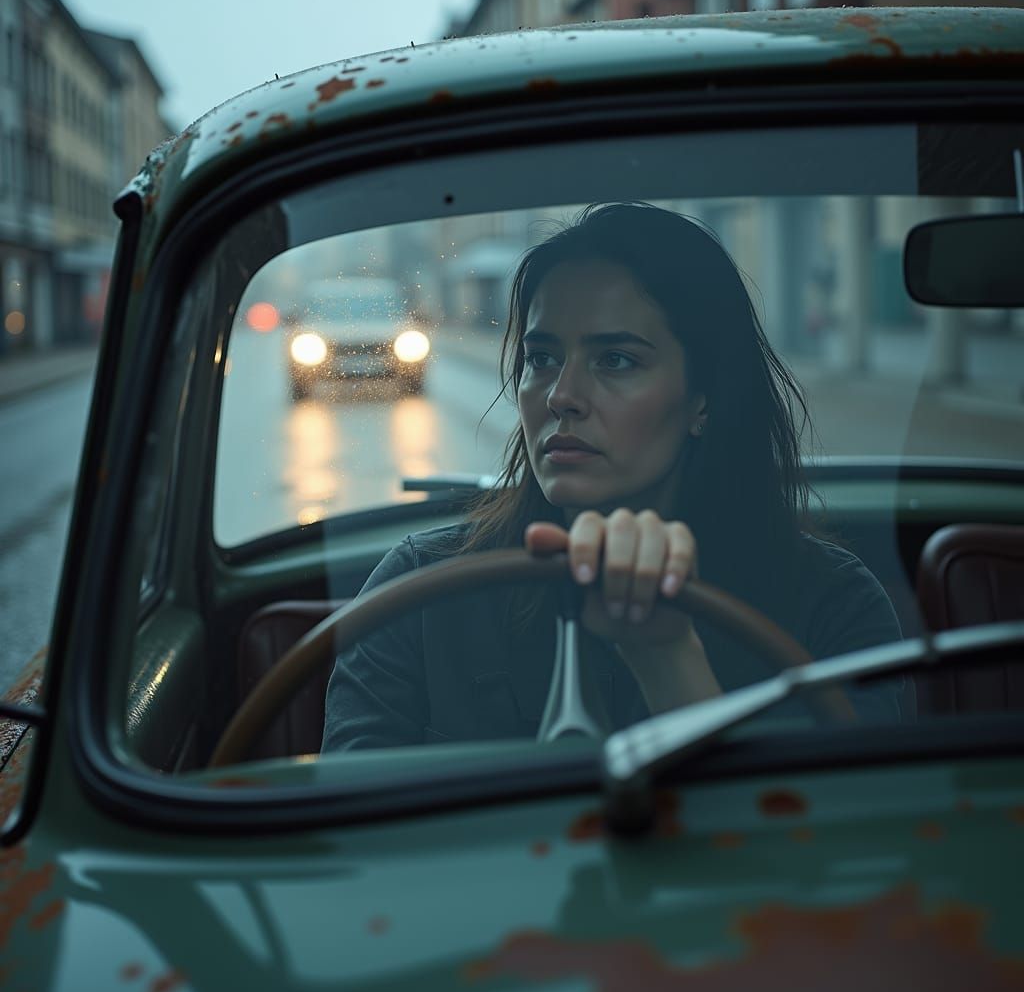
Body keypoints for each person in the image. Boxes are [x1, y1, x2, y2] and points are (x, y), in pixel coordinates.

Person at [322, 203, 908, 751]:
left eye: (616, 360)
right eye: (541, 359)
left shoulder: (830, 605)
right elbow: (348, 841)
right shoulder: (421, 592)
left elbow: (833, 847)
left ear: (703, 398)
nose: (562, 396)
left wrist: (666, 658)